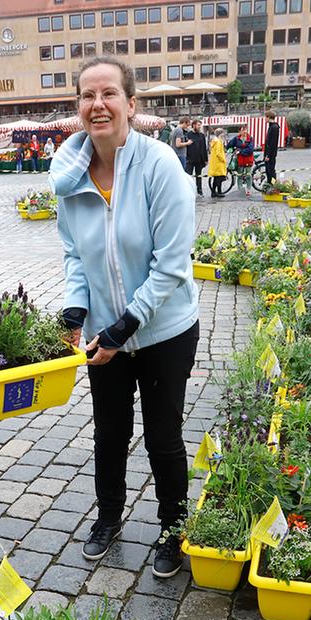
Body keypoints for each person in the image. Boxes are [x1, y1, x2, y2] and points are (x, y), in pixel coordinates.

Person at [49, 56, 199, 578]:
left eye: (109, 93)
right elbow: (74, 253)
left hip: (162, 330)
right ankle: (108, 518)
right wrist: (77, 306)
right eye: (87, 96)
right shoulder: (68, 177)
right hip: (105, 334)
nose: (98, 105)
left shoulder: (160, 166)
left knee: (163, 436)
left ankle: (173, 529)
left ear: (131, 104)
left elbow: (172, 264)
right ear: (78, 108)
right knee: (109, 433)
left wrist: (125, 326)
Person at [227, 129, 255, 195]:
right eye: (242, 130)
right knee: (240, 175)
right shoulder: (236, 139)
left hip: (248, 159)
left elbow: (250, 149)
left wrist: (240, 151)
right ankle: (240, 189)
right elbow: (229, 145)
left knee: (248, 175)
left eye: (245, 130)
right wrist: (233, 149)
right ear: (239, 131)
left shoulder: (250, 138)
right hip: (240, 160)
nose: (244, 132)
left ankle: (248, 190)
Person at [186, 119, 209, 196]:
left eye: (200, 125)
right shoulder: (188, 135)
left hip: (199, 159)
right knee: (189, 176)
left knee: (199, 176)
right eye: (198, 125)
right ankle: (188, 191)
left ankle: (200, 191)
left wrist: (206, 159)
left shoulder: (202, 135)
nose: (199, 127)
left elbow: (204, 148)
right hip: (190, 159)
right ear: (194, 125)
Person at [207, 127, 228, 197]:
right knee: (218, 179)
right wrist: (223, 159)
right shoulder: (218, 142)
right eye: (223, 134)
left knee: (218, 178)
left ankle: (218, 191)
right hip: (219, 163)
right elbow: (218, 153)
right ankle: (215, 192)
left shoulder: (215, 141)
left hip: (215, 163)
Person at [263, 109, 281, 183]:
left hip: (271, 154)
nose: (265, 119)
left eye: (265, 117)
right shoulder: (271, 127)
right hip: (268, 153)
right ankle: (270, 185)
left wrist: (268, 155)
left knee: (271, 172)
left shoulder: (274, 128)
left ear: (269, 117)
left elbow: (272, 143)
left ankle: (273, 186)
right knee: (268, 171)